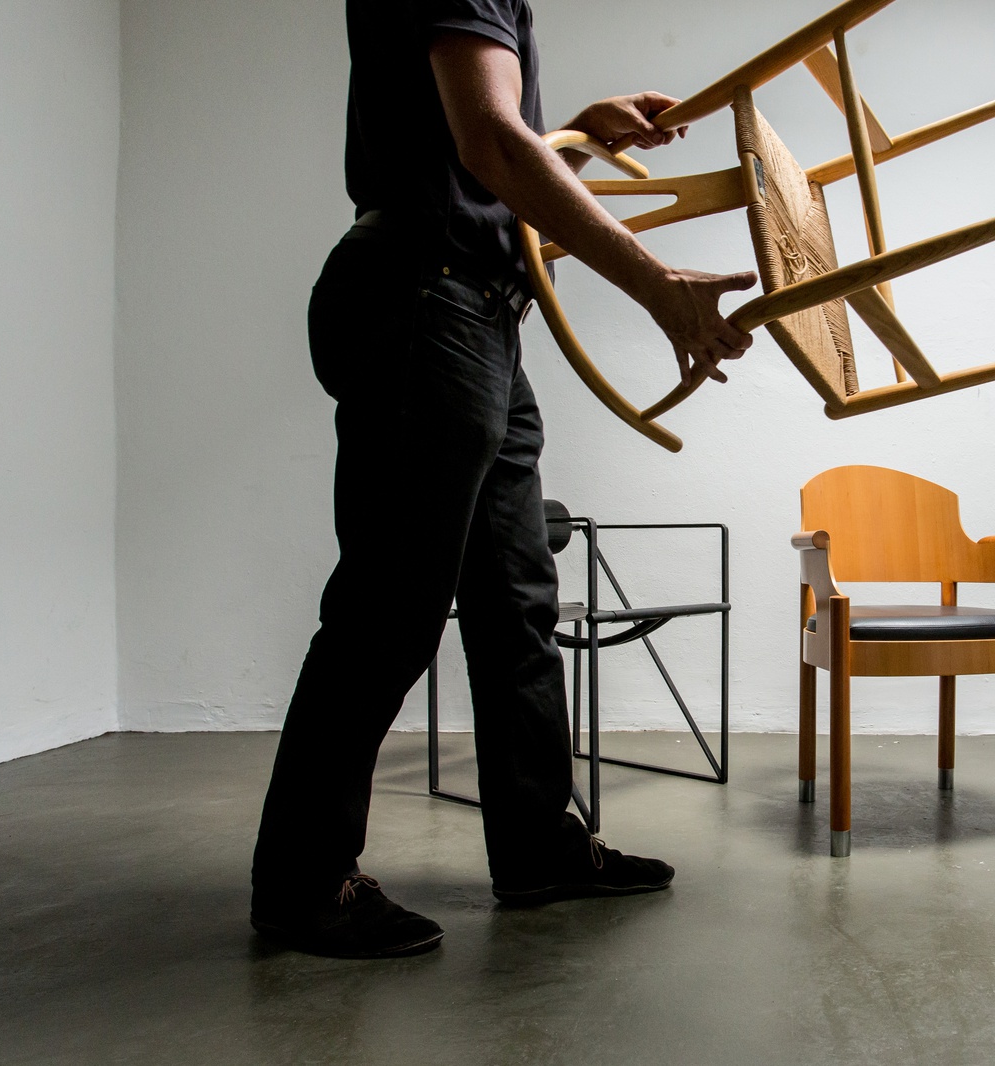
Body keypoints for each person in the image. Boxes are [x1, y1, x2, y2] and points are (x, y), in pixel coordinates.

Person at [249, 0, 755, 959]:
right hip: (426, 301)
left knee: (517, 603)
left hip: (476, 311)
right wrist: (656, 286)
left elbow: (482, 157)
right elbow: (489, 141)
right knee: (389, 605)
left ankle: (537, 848)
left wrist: (577, 134)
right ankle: (302, 883)